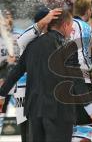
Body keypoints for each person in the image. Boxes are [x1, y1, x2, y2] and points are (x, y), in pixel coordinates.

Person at [0, 9, 75, 142]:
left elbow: (15, 72)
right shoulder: (65, 46)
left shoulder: (31, 45)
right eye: (71, 25)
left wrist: (1, 93)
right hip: (57, 110)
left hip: (34, 106)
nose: (72, 29)